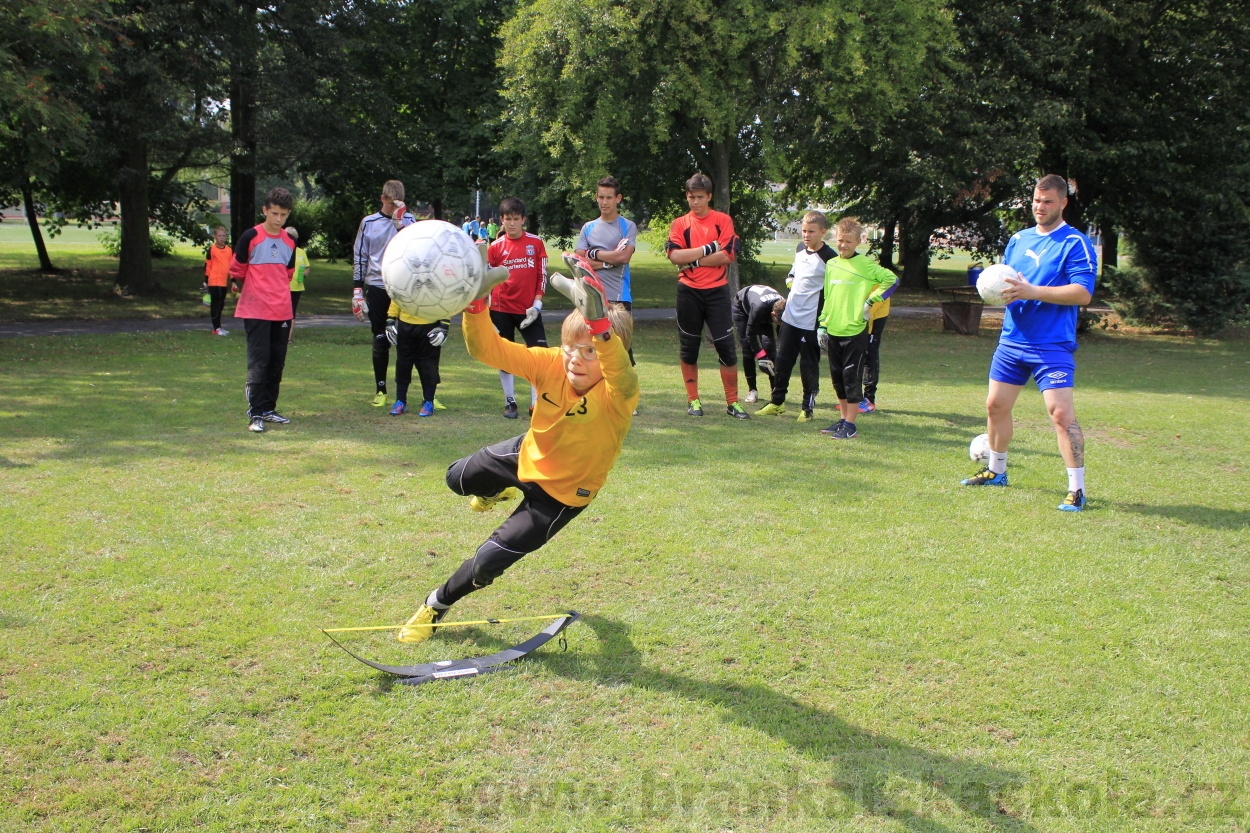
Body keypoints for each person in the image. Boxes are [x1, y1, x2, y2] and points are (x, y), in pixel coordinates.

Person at [397, 256, 639, 643]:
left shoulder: (619, 395)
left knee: (487, 563)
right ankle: (497, 490)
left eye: (590, 351)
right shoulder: (550, 363)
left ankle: (434, 606)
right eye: (570, 347)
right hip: (526, 455)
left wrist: (601, 329)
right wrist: (476, 306)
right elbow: (487, 349)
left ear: (611, 353)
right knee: (456, 478)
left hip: (562, 495)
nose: (575, 358)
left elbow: (621, 372)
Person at [961, 174, 1097, 512]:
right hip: (1013, 341)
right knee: (995, 406)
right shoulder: (1018, 240)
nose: (1040, 207)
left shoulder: (1074, 242)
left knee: (1061, 414)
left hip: (1052, 344)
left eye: (1048, 202)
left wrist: (1032, 291)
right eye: (1036, 200)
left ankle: (1077, 489)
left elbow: (1083, 293)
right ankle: (997, 471)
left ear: (1063, 203)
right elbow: (1008, 282)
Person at [664, 173, 747, 419]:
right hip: (688, 292)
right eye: (691, 197)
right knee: (689, 348)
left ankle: (733, 403)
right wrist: (707, 249)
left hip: (717, 292)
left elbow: (727, 255)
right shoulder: (679, 224)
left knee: (727, 348)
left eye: (700, 197)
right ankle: (693, 401)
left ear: (709, 196)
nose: (695, 202)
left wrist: (694, 260)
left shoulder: (722, 220)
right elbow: (675, 257)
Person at [815, 217, 899, 440]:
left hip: (855, 331)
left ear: (858, 241)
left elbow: (891, 280)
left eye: (848, 242)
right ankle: (843, 420)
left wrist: (871, 301)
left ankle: (851, 425)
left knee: (851, 378)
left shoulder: (865, 265)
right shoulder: (832, 264)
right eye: (840, 240)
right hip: (834, 329)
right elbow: (829, 296)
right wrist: (822, 324)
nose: (843, 245)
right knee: (837, 379)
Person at [230, 188, 297, 433]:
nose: (279, 219)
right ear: (265, 210)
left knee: (276, 362)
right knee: (259, 361)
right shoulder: (250, 236)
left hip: (282, 310)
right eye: (274, 213)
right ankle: (255, 413)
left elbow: (288, 273)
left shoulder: (290, 241)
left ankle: (269, 409)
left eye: (283, 215)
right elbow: (237, 270)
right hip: (256, 310)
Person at [757, 210, 832, 421]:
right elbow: (793, 272)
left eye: (811, 231)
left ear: (823, 232)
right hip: (790, 317)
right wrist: (791, 280)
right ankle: (777, 402)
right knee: (782, 361)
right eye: (804, 231)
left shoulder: (830, 257)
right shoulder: (800, 249)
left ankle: (807, 409)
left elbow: (832, 290)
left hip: (811, 321)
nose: (806, 235)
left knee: (808, 364)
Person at [351, 180, 414, 408]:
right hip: (377, 285)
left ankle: (413, 393)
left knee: (409, 339)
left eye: (397, 204)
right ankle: (381, 390)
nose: (392, 208)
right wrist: (357, 291)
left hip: (404, 286)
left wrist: (399, 223)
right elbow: (360, 257)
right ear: (382, 199)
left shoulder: (410, 221)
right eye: (389, 204)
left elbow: (417, 251)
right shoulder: (369, 222)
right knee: (380, 338)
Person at [487, 197, 549, 419]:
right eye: (507, 219)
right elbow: (487, 280)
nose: (512, 223)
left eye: (516, 219)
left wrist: (537, 304)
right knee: (505, 356)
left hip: (529, 310)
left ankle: (536, 403)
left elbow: (542, 275)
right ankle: (510, 401)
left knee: (539, 356)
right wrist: (487, 310)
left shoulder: (536, 243)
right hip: (501, 309)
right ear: (501, 220)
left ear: (523, 220)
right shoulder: (495, 247)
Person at [574, 175, 639, 363]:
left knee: (622, 354)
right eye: (601, 197)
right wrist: (607, 262)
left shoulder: (628, 226)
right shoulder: (588, 228)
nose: (604, 202)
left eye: (609, 197)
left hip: (619, 298)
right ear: (596, 197)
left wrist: (594, 253)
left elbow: (624, 257)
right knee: (590, 351)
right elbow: (579, 261)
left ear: (618, 198)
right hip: (591, 297)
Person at [385, 299, 449, 418]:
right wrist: (390, 320)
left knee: (429, 364)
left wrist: (444, 324)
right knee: (403, 363)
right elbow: (397, 295)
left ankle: (429, 401)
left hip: (430, 324)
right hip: (405, 324)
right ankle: (400, 401)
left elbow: (443, 296)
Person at [732, 284, 783, 403]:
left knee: (770, 348)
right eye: (777, 322)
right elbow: (750, 334)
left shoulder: (786, 307)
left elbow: (781, 332)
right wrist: (761, 356)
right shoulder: (759, 309)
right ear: (773, 314)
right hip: (743, 308)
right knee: (748, 349)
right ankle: (752, 390)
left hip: (764, 309)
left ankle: (775, 391)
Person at [859, 290, 891, 413]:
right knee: (855, 356)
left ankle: (869, 399)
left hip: (875, 315)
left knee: (870, 355)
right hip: (860, 314)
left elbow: (885, 290)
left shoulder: (883, 282)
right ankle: (854, 398)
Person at [203, 225, 233, 336]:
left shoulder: (229, 250)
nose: (222, 238)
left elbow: (231, 266)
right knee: (216, 304)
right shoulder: (212, 249)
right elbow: (208, 265)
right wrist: (206, 280)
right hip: (214, 281)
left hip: (223, 281)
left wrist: (233, 280)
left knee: (221, 305)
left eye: (224, 236)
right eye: (220, 235)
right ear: (214, 236)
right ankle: (216, 328)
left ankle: (219, 326)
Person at [286, 227, 309, 343]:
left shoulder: (301, 252)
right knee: (281, 311)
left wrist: (305, 274)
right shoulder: (282, 251)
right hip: (283, 286)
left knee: (292, 312)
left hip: (297, 286)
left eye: (293, 237)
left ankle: (288, 338)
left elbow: (307, 267)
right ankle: (279, 335)